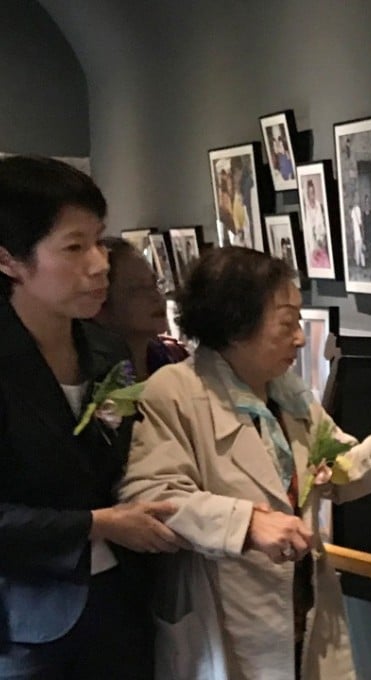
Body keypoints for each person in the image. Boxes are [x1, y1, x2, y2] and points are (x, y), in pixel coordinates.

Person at [117, 246, 371, 680]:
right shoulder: (175, 392)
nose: (298, 337)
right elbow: (151, 497)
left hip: (301, 602)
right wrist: (247, 524)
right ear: (237, 326)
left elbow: (330, 463)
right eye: (287, 324)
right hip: (227, 610)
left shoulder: (284, 393)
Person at [0, 155, 185, 678]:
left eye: (99, 241)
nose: (100, 263)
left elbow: (130, 458)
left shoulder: (107, 351)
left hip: (126, 599)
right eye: (74, 248)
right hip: (26, 624)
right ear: (10, 261)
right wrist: (95, 525)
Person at [93, 237, 189, 379]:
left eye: (155, 283)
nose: (156, 297)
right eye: (138, 288)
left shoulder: (171, 359)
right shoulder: (95, 382)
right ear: (100, 303)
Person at [302, 179, 330, 270]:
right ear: (307, 193)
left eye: (313, 192)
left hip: (319, 242)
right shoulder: (305, 209)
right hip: (311, 244)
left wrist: (321, 238)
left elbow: (322, 227)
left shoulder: (319, 206)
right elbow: (306, 230)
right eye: (310, 193)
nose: (312, 195)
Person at [349, 198, 365, 268]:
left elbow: (354, 222)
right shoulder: (357, 209)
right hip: (358, 231)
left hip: (357, 231)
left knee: (358, 247)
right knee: (359, 247)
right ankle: (361, 263)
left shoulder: (354, 210)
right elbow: (360, 221)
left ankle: (358, 262)